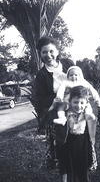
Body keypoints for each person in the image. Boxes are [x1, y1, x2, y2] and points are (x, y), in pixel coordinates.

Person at [49, 65, 100, 171]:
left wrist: (99, 103)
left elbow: (94, 92)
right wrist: (59, 97)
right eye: (71, 75)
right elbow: (60, 91)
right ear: (67, 76)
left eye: (76, 74)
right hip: (69, 103)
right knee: (61, 108)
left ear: (80, 75)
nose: (73, 77)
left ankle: (89, 116)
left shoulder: (84, 83)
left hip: (82, 104)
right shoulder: (66, 83)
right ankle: (62, 119)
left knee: (87, 108)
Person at [32, 36, 74, 167]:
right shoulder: (41, 75)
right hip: (57, 111)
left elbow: (79, 80)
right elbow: (40, 99)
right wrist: (58, 99)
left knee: (78, 139)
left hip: (76, 107)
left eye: (51, 51)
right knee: (61, 144)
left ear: (57, 51)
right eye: (44, 52)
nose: (48, 55)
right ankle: (61, 164)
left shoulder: (68, 64)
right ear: (40, 54)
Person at [56, 85, 94, 182]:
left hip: (83, 143)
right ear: (70, 102)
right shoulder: (68, 113)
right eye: (75, 102)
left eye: (82, 102)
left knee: (83, 166)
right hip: (70, 142)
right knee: (71, 167)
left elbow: (91, 125)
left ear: (86, 103)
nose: (79, 105)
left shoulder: (86, 113)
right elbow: (60, 109)